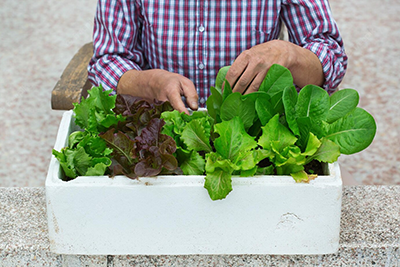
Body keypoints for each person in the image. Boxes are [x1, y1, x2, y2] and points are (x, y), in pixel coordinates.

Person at [88, 0, 347, 115]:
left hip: (255, 128)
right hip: (163, 126)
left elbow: (330, 56)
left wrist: (290, 54)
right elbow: (107, 60)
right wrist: (151, 82)